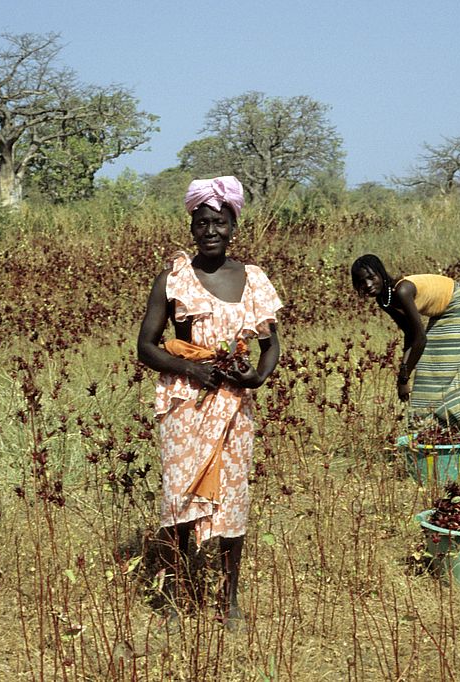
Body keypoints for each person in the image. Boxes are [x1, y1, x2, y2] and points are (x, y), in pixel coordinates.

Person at [136, 176, 282, 630]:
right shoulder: (173, 278)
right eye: (202, 223)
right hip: (185, 403)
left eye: (219, 223)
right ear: (192, 226)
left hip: (235, 405)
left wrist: (258, 376)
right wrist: (192, 370)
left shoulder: (254, 279)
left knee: (233, 499)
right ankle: (178, 597)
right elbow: (146, 346)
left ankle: (229, 600)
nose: (211, 231)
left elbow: (270, 343)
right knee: (181, 498)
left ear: (233, 225)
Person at [350, 254, 460, 439]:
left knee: (434, 366)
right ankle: (435, 431)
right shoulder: (384, 299)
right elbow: (410, 334)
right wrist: (404, 373)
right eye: (362, 282)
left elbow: (421, 338)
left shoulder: (402, 290)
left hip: (459, 306)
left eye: (372, 277)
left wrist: (403, 378)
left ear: (381, 273)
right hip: (442, 312)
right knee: (429, 367)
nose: (368, 285)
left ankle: (457, 428)